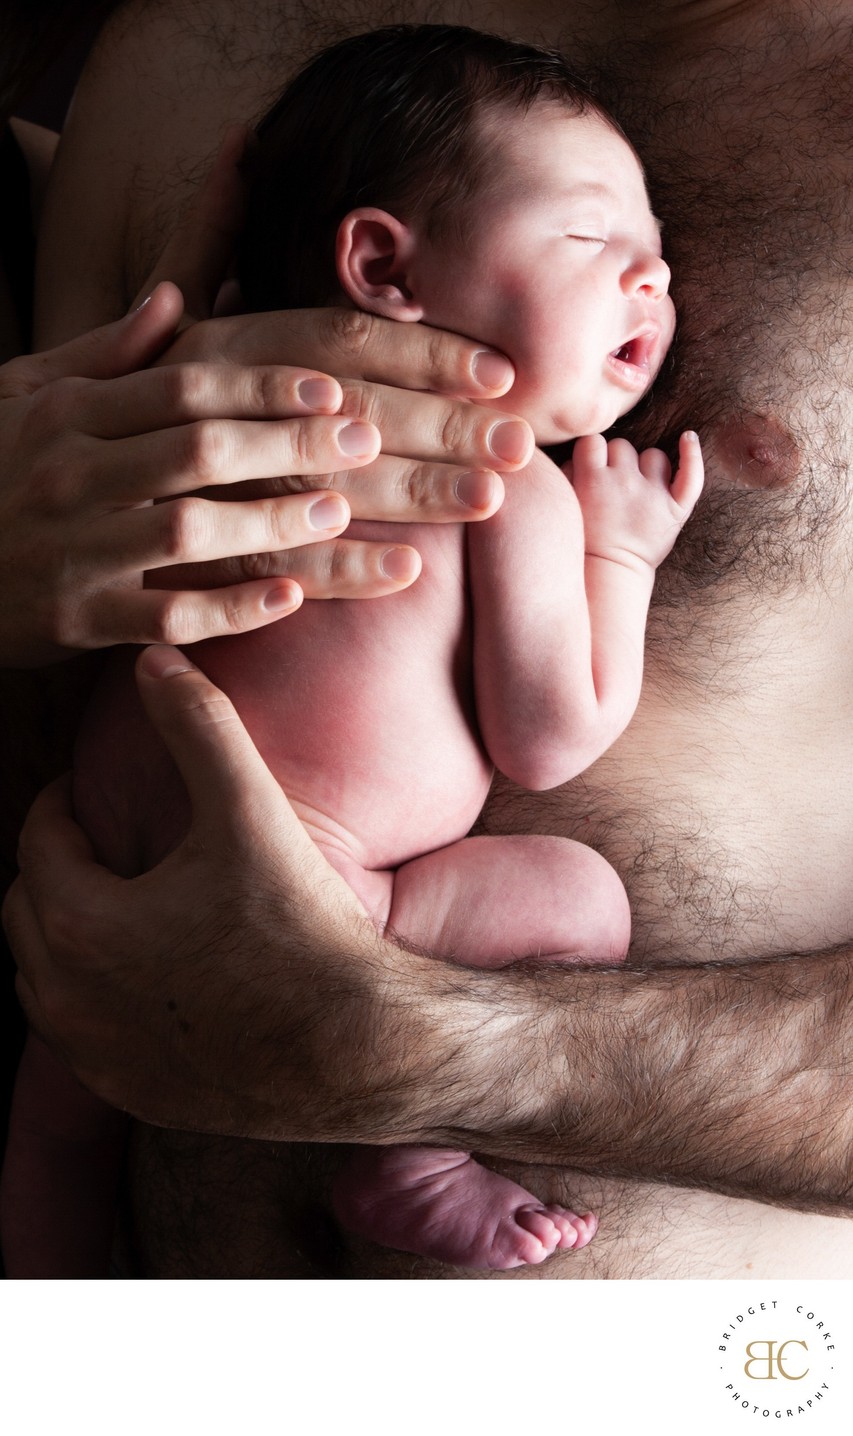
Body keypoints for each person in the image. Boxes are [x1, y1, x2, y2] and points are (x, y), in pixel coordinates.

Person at [7, 0, 853, 1280]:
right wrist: (617, 558)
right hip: (172, 1356)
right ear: (380, 268)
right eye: (594, 242)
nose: (652, 280)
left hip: (678, 1385)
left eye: (654, 254)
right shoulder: (177, 49)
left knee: (46, 1154)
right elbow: (552, 726)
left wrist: (442, 1051)